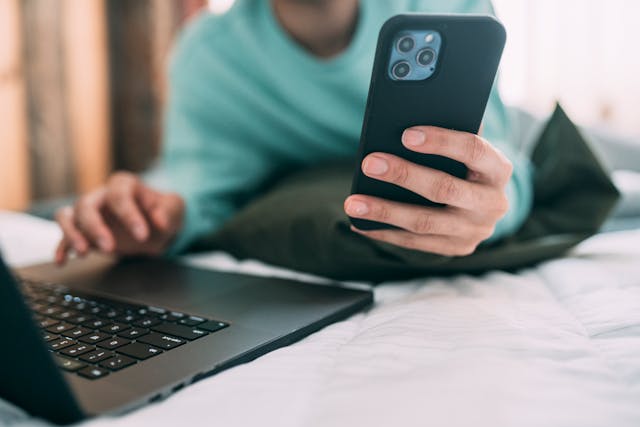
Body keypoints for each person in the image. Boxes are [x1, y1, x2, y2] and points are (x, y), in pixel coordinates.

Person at [54, 0, 532, 265]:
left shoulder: (451, 8)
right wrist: (159, 213)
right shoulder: (209, 55)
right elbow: (198, 179)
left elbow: (503, 159)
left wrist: (492, 207)